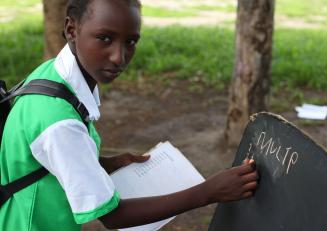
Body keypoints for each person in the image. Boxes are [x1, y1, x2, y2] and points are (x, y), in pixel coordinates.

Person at [0, 0, 258, 230]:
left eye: (130, 41)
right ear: (71, 29)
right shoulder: (59, 121)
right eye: (104, 38)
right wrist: (207, 192)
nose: (118, 57)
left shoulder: (53, 73)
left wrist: (103, 163)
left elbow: (42, 156)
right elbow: (113, 217)